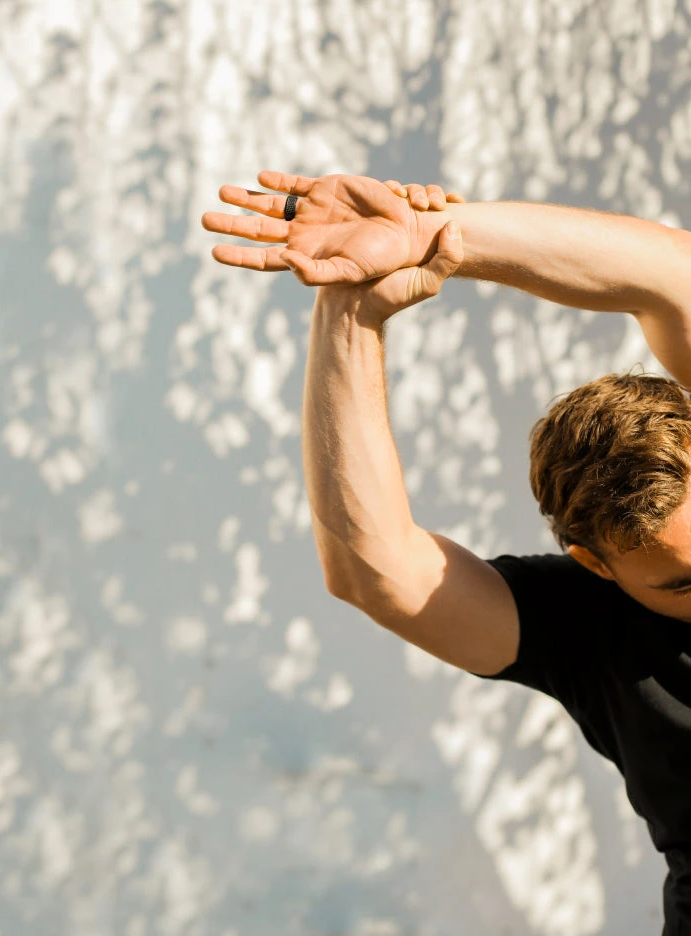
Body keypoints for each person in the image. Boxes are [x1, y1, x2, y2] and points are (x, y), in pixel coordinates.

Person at [202, 172, 691, 934]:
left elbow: (669, 273)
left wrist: (434, 236)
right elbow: (377, 570)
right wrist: (351, 307)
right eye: (683, 585)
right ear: (596, 563)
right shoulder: (594, 631)